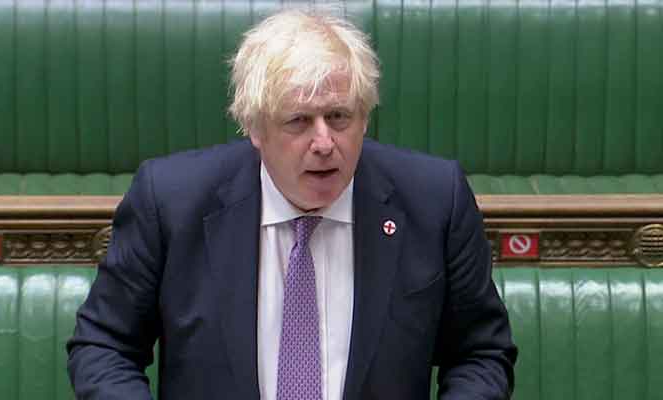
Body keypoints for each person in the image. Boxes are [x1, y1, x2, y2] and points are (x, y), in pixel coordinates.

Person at [67, 9, 517, 400]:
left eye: (339, 117)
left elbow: (481, 352)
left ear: (365, 117)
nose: (324, 142)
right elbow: (103, 345)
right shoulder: (170, 201)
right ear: (255, 128)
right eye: (299, 121)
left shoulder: (435, 200)